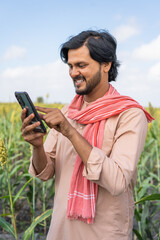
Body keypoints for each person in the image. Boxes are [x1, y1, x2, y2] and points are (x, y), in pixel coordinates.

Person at [21, 30, 154, 240]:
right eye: (70, 66)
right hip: (61, 231)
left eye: (81, 65)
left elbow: (118, 181)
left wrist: (69, 132)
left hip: (105, 233)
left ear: (106, 65)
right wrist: (37, 145)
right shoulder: (67, 112)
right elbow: (45, 173)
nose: (73, 73)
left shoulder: (129, 115)